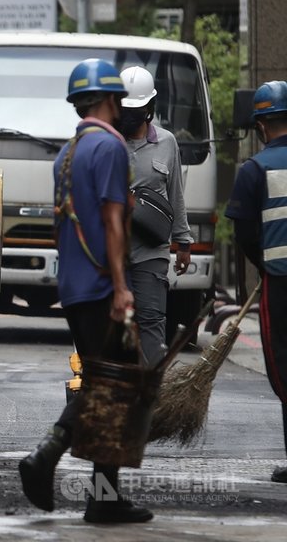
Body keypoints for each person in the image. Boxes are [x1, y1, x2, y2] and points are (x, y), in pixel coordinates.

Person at [18, 58, 153, 523]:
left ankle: (105, 498)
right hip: (100, 287)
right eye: (118, 99)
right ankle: (47, 456)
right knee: (107, 386)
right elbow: (114, 222)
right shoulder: (111, 149)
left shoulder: (68, 151)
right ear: (110, 99)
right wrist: (121, 288)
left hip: (75, 287)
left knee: (106, 386)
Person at [225, 80, 287, 484]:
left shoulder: (254, 170)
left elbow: (244, 234)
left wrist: (263, 267)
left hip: (280, 284)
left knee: (284, 368)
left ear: (261, 126)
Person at [119, 66, 192, 366]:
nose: (131, 116)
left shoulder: (167, 143)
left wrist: (183, 243)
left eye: (137, 109)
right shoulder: (108, 142)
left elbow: (176, 195)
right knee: (114, 324)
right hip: (114, 251)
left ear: (150, 107)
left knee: (151, 322)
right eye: (126, 109)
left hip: (152, 252)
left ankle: (151, 392)